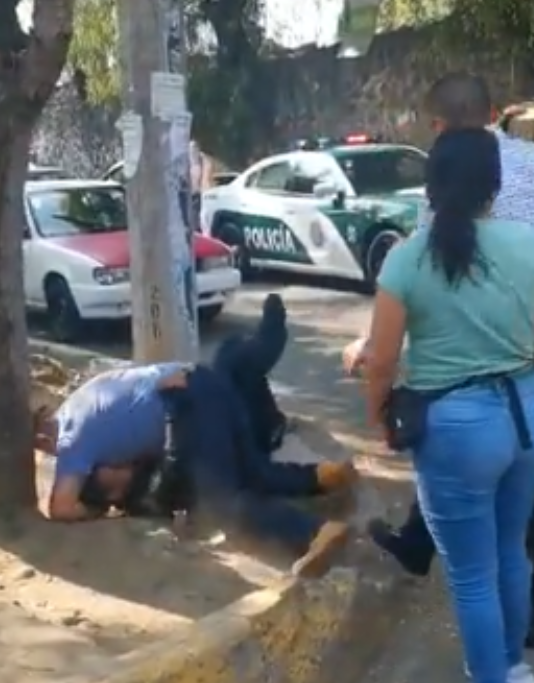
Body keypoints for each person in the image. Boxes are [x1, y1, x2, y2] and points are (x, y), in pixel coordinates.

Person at [347, 75, 534, 594]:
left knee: (461, 472)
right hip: (524, 367)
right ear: (494, 111)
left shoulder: (445, 183)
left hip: (472, 372)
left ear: (436, 126)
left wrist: (375, 366)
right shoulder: (528, 163)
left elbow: (415, 276)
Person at [37, 295, 357, 578]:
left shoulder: (72, 442)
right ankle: (323, 476)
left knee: (224, 503)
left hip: (188, 403)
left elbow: (61, 507)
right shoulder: (75, 404)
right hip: (201, 381)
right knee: (254, 469)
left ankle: (316, 532)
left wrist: (95, 512)